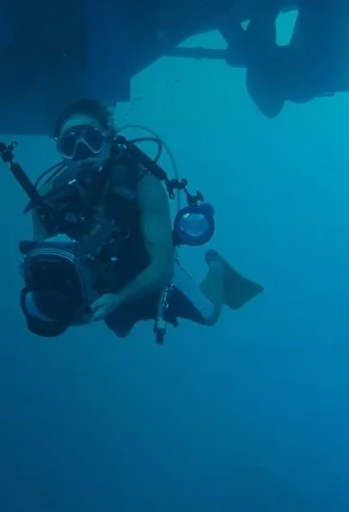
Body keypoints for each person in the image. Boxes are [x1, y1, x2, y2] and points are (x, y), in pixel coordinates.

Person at [18, 98, 264, 339]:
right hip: (100, 280)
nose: (82, 154)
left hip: (148, 268)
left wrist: (121, 298)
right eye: (69, 145)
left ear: (108, 141)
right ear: (60, 152)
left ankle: (217, 269)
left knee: (207, 313)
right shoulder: (48, 198)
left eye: (92, 141)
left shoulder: (143, 182)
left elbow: (162, 267)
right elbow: (44, 260)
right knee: (113, 325)